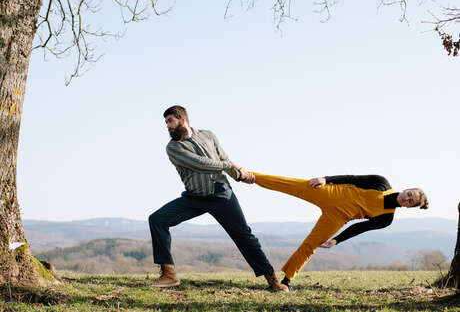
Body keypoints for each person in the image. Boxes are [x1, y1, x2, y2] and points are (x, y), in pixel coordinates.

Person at [148, 106, 288, 292]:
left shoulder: (208, 135)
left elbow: (223, 157)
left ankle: (272, 280)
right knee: (157, 219)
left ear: (182, 119)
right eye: (166, 123)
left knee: (244, 236)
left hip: (221, 194)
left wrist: (239, 175)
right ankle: (169, 274)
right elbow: (200, 163)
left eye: (170, 121)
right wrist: (229, 165)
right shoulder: (173, 147)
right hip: (194, 197)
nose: (167, 126)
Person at [242, 172, 429, 290]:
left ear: (409, 207)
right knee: (293, 185)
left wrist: (337, 240)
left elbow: (359, 227)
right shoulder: (381, 182)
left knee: (311, 244)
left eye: (411, 202)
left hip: (338, 218)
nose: (407, 199)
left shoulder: (386, 218)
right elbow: (352, 178)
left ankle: (287, 280)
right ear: (407, 189)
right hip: (332, 192)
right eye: (410, 194)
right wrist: (325, 179)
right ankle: (250, 175)